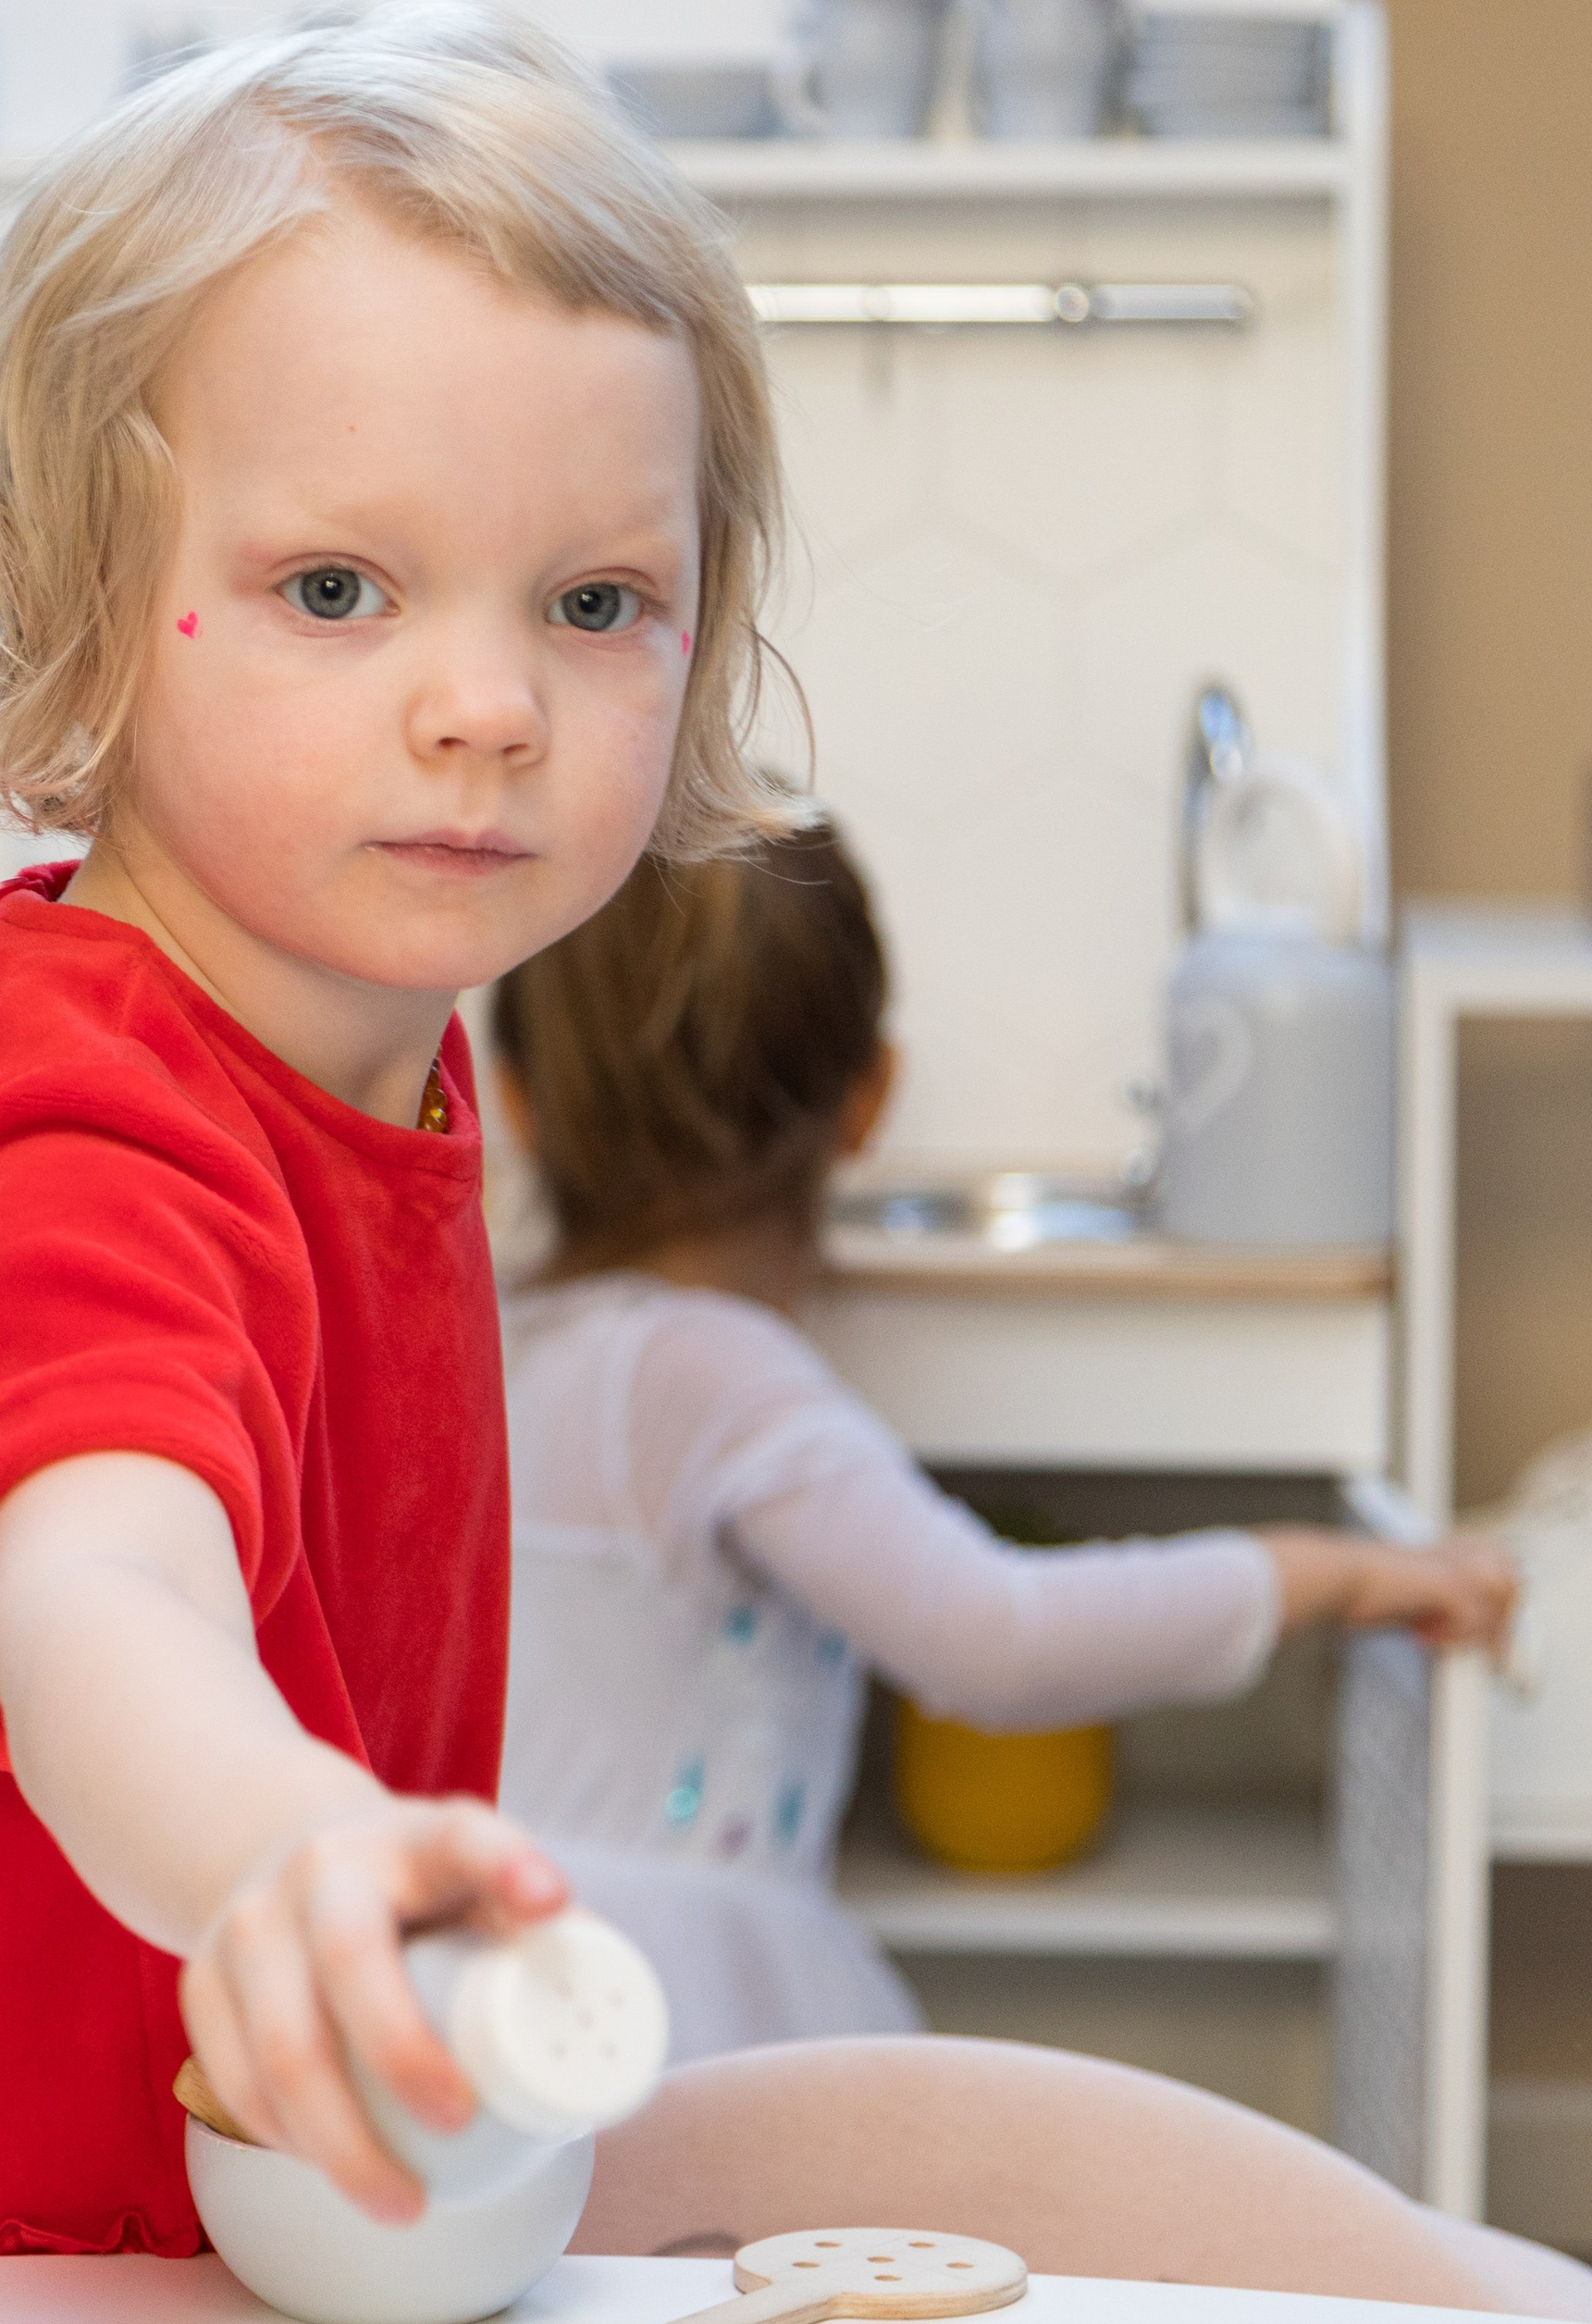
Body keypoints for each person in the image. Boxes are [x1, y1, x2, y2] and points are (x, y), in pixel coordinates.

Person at [0, 0, 1587, 2320]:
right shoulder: (86, 1108)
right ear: (77, 602)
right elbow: (100, 1594)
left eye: (590, 600)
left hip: (148, 2241)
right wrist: (283, 1855)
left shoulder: (371, 1061)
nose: (488, 701)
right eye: (339, 589)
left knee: (983, 2166)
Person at [489, 822, 1519, 2059]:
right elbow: (998, 1641)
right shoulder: (720, 1378)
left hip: (477, 1971)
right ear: (870, 1096)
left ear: (516, 1103)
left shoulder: (484, 1340)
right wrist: (1320, 1570)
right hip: (679, 2013)